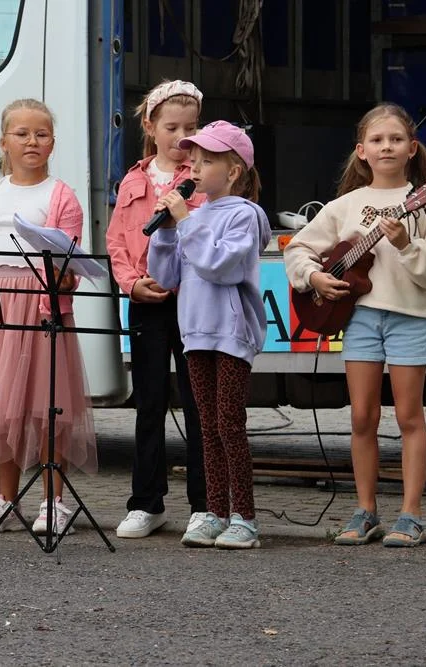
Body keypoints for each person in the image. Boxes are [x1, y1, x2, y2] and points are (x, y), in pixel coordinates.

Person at [284, 103, 426, 548]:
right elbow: (298, 247)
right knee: (362, 415)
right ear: (361, 151)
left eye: (396, 139)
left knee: (408, 415)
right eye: (377, 140)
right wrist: (315, 276)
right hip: (359, 318)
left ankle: (411, 513)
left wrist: (406, 245)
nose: (387, 147)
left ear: (411, 148)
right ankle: (365, 509)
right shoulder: (345, 206)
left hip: (409, 318)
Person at [0, 98, 97, 536]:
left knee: (45, 406)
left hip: (41, 308)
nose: (32, 141)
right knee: (1, 406)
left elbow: (69, 265)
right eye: (22, 134)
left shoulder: (62, 196)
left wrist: (65, 279)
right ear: (4, 143)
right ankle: (5, 499)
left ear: (52, 143)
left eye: (42, 134)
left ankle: (54, 501)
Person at [148, 120, 271, 549]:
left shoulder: (246, 215)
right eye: (193, 161)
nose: (194, 170)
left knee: (229, 424)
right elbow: (165, 276)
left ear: (233, 171)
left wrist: (184, 225)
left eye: (206, 162)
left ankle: (246, 518)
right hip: (196, 333)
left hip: (230, 333)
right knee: (206, 424)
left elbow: (223, 267)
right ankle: (216, 511)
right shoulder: (191, 217)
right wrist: (165, 233)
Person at [106, 79, 208, 540]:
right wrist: (131, 283)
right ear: (149, 126)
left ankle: (206, 504)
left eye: (190, 127)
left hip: (193, 301)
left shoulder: (204, 177)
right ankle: (146, 503)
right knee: (149, 403)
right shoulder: (133, 179)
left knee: (198, 401)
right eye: (171, 127)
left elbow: (209, 233)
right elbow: (116, 239)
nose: (181, 136)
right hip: (147, 302)